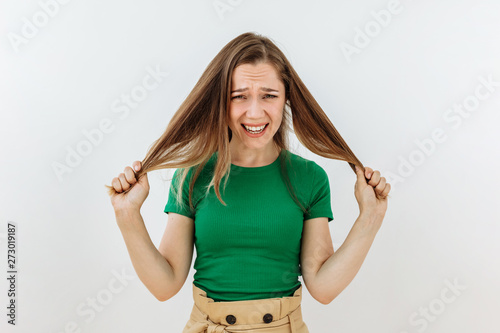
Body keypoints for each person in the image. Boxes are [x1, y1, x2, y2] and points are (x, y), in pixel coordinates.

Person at [106, 32, 391, 332]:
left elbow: (322, 287)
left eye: (269, 95)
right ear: (221, 102)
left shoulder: (309, 178)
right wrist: (127, 215)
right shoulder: (192, 176)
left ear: (287, 98)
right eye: (239, 96)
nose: (255, 112)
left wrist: (371, 217)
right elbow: (165, 285)